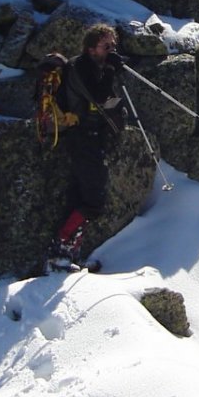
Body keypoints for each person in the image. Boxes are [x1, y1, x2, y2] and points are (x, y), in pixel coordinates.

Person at [46, 23, 128, 269]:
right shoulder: (80, 67)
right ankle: (62, 249)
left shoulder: (95, 67)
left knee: (81, 195)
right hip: (81, 137)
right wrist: (113, 69)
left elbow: (106, 99)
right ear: (91, 48)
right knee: (94, 198)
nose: (112, 50)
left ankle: (67, 252)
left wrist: (119, 114)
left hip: (91, 136)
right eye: (106, 46)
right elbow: (100, 97)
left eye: (114, 45)